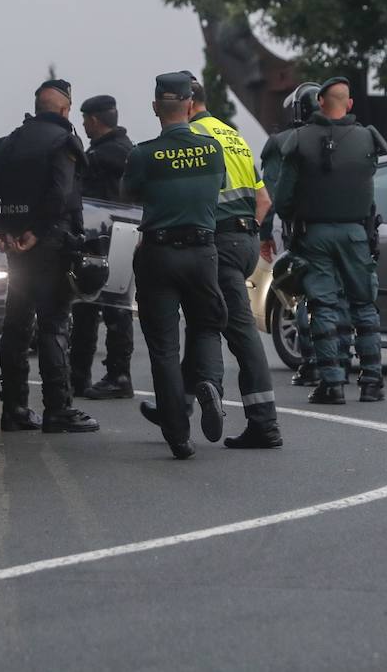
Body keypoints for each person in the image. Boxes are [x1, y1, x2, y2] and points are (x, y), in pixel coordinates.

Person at [0, 79, 99, 433]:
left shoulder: (12, 141)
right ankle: (58, 408)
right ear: (65, 110)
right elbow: (60, 194)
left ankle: (14, 408)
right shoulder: (64, 142)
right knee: (54, 324)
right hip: (50, 246)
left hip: (15, 248)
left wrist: (1, 229)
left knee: (16, 326)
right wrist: (38, 231)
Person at [122, 72, 229, 460]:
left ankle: (178, 436)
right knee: (207, 326)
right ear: (189, 105)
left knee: (164, 348)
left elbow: (129, 193)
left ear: (155, 108)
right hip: (202, 253)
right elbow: (217, 189)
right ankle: (209, 383)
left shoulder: (143, 154)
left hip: (158, 254)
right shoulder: (212, 149)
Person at [183, 78, 283, 449]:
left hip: (217, 241)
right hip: (245, 240)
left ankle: (263, 423)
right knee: (203, 319)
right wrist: (248, 232)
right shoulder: (233, 136)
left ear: (188, 104)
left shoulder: (191, 137)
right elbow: (264, 200)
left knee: (230, 327)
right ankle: (176, 408)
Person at [275, 76, 387, 404]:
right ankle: (372, 381)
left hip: (315, 235)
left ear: (319, 102)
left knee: (323, 306)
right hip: (356, 234)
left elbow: (283, 198)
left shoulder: (298, 140)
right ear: (349, 103)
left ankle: (332, 383)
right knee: (365, 304)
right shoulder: (367, 138)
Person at [69, 93, 136, 400]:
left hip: (108, 240)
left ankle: (114, 375)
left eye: (85, 119)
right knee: (102, 308)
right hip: (116, 239)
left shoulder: (107, 154)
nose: (83, 125)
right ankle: (91, 375)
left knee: (106, 309)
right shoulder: (121, 150)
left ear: (94, 120)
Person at [261, 82, 322, 388]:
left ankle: (311, 363)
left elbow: (272, 195)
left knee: (303, 296)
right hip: (348, 233)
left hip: (302, 232)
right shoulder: (351, 137)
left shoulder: (285, 142)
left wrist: (263, 232)